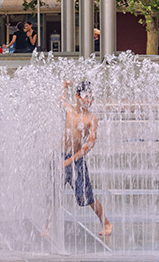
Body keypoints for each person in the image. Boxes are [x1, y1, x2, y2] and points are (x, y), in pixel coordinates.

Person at [46, 81, 112, 237]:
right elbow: (60, 100)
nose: (89, 101)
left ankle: (106, 223)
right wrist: (64, 85)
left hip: (76, 161)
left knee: (85, 197)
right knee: (54, 193)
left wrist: (69, 161)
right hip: (60, 156)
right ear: (77, 97)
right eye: (85, 97)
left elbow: (89, 145)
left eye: (91, 97)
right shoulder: (69, 111)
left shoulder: (91, 119)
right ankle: (47, 227)